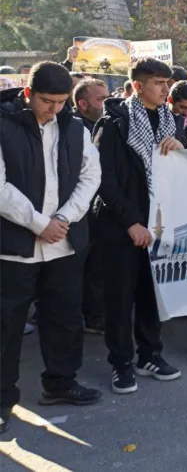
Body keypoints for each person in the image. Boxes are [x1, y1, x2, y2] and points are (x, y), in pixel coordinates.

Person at [1, 62, 103, 433]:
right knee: (7, 324)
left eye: (61, 102)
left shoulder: (74, 127)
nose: (54, 109)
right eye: (47, 101)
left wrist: (63, 218)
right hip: (14, 245)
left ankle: (60, 382)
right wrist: (39, 224)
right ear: (29, 94)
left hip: (64, 242)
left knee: (63, 316)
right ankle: (2, 399)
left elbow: (91, 176)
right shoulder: (4, 124)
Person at [93, 58, 184, 394]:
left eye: (167, 83)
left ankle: (150, 355)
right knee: (119, 299)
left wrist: (181, 149)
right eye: (159, 83)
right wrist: (131, 222)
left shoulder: (171, 121)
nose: (165, 89)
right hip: (120, 227)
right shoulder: (113, 123)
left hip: (159, 224)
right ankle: (121, 363)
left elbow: (181, 171)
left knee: (152, 294)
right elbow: (104, 180)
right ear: (138, 86)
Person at [71, 78, 111, 334]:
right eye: (101, 99)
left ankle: (95, 314)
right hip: (75, 212)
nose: (107, 103)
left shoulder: (109, 126)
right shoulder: (72, 131)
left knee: (98, 266)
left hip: (100, 210)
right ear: (83, 104)